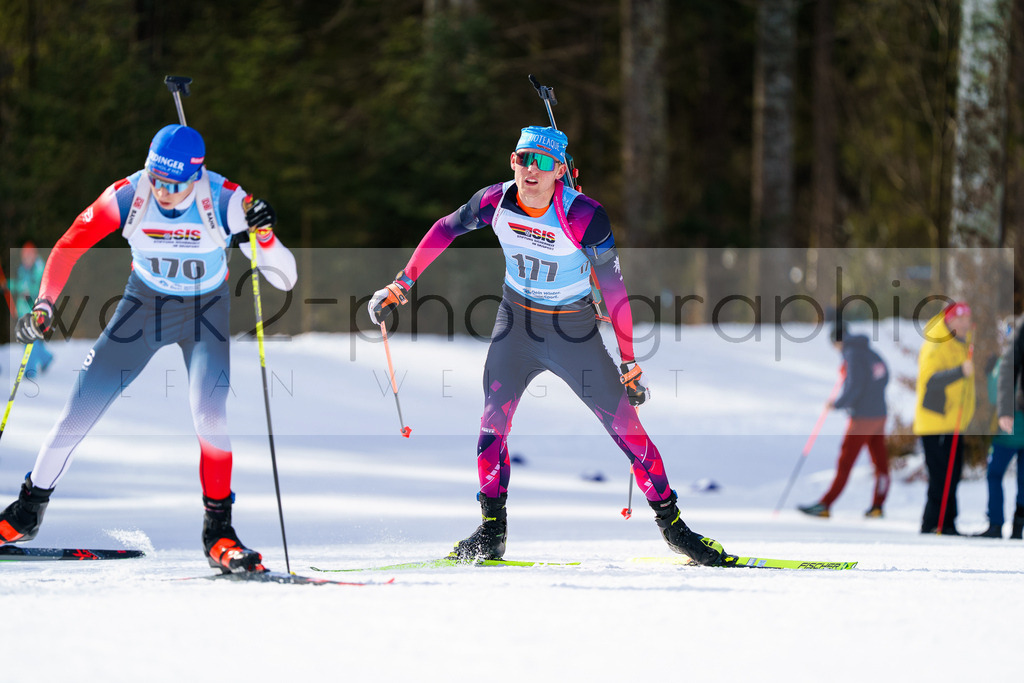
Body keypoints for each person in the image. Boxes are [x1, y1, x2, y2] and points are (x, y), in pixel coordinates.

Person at [367, 125, 727, 566]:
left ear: (559, 170)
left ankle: (675, 530)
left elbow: (614, 292)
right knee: (490, 429)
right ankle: (491, 530)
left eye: (541, 161)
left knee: (628, 432)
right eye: (522, 159)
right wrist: (401, 284)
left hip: (573, 332)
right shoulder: (494, 201)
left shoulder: (583, 216)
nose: (530, 170)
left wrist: (630, 361)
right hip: (515, 324)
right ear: (512, 162)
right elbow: (445, 228)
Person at [0, 124, 297, 574]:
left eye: (173, 185)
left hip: (204, 315)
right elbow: (66, 248)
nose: (162, 192)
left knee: (210, 415)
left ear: (196, 177)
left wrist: (266, 236)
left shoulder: (225, 201)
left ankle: (219, 531)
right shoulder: (127, 197)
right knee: (76, 411)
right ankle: (25, 514)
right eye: (155, 179)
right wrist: (44, 305)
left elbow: (286, 279)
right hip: (143, 308)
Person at [799, 323, 890, 518]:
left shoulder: (852, 354)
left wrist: (837, 404)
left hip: (862, 418)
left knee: (845, 461)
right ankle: (878, 505)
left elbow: (854, 386)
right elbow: (884, 375)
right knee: (880, 461)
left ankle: (825, 504)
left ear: (837, 342)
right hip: (879, 415)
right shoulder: (868, 351)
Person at [913, 301, 975, 535]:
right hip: (935, 423)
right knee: (941, 476)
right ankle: (933, 524)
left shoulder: (961, 344)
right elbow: (931, 380)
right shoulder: (936, 344)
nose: (965, 324)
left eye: (967, 319)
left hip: (954, 423)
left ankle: (947, 523)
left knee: (953, 473)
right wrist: (960, 372)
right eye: (960, 319)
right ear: (949, 320)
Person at [973, 316, 1024, 539]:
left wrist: (988, 373)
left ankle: (995, 524)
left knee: (995, 474)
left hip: (1010, 429)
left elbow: (996, 394)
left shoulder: (1007, 361)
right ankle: (1018, 527)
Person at [8, 240, 55, 377]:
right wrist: (8, 285)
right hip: (23, 309)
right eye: (25, 256)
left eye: (29, 256)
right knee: (29, 339)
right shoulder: (23, 269)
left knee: (28, 339)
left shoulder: (39, 269)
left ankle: (30, 370)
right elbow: (20, 285)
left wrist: (26, 290)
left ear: (34, 255)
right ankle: (46, 358)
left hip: (34, 309)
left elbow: (37, 287)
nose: (26, 259)